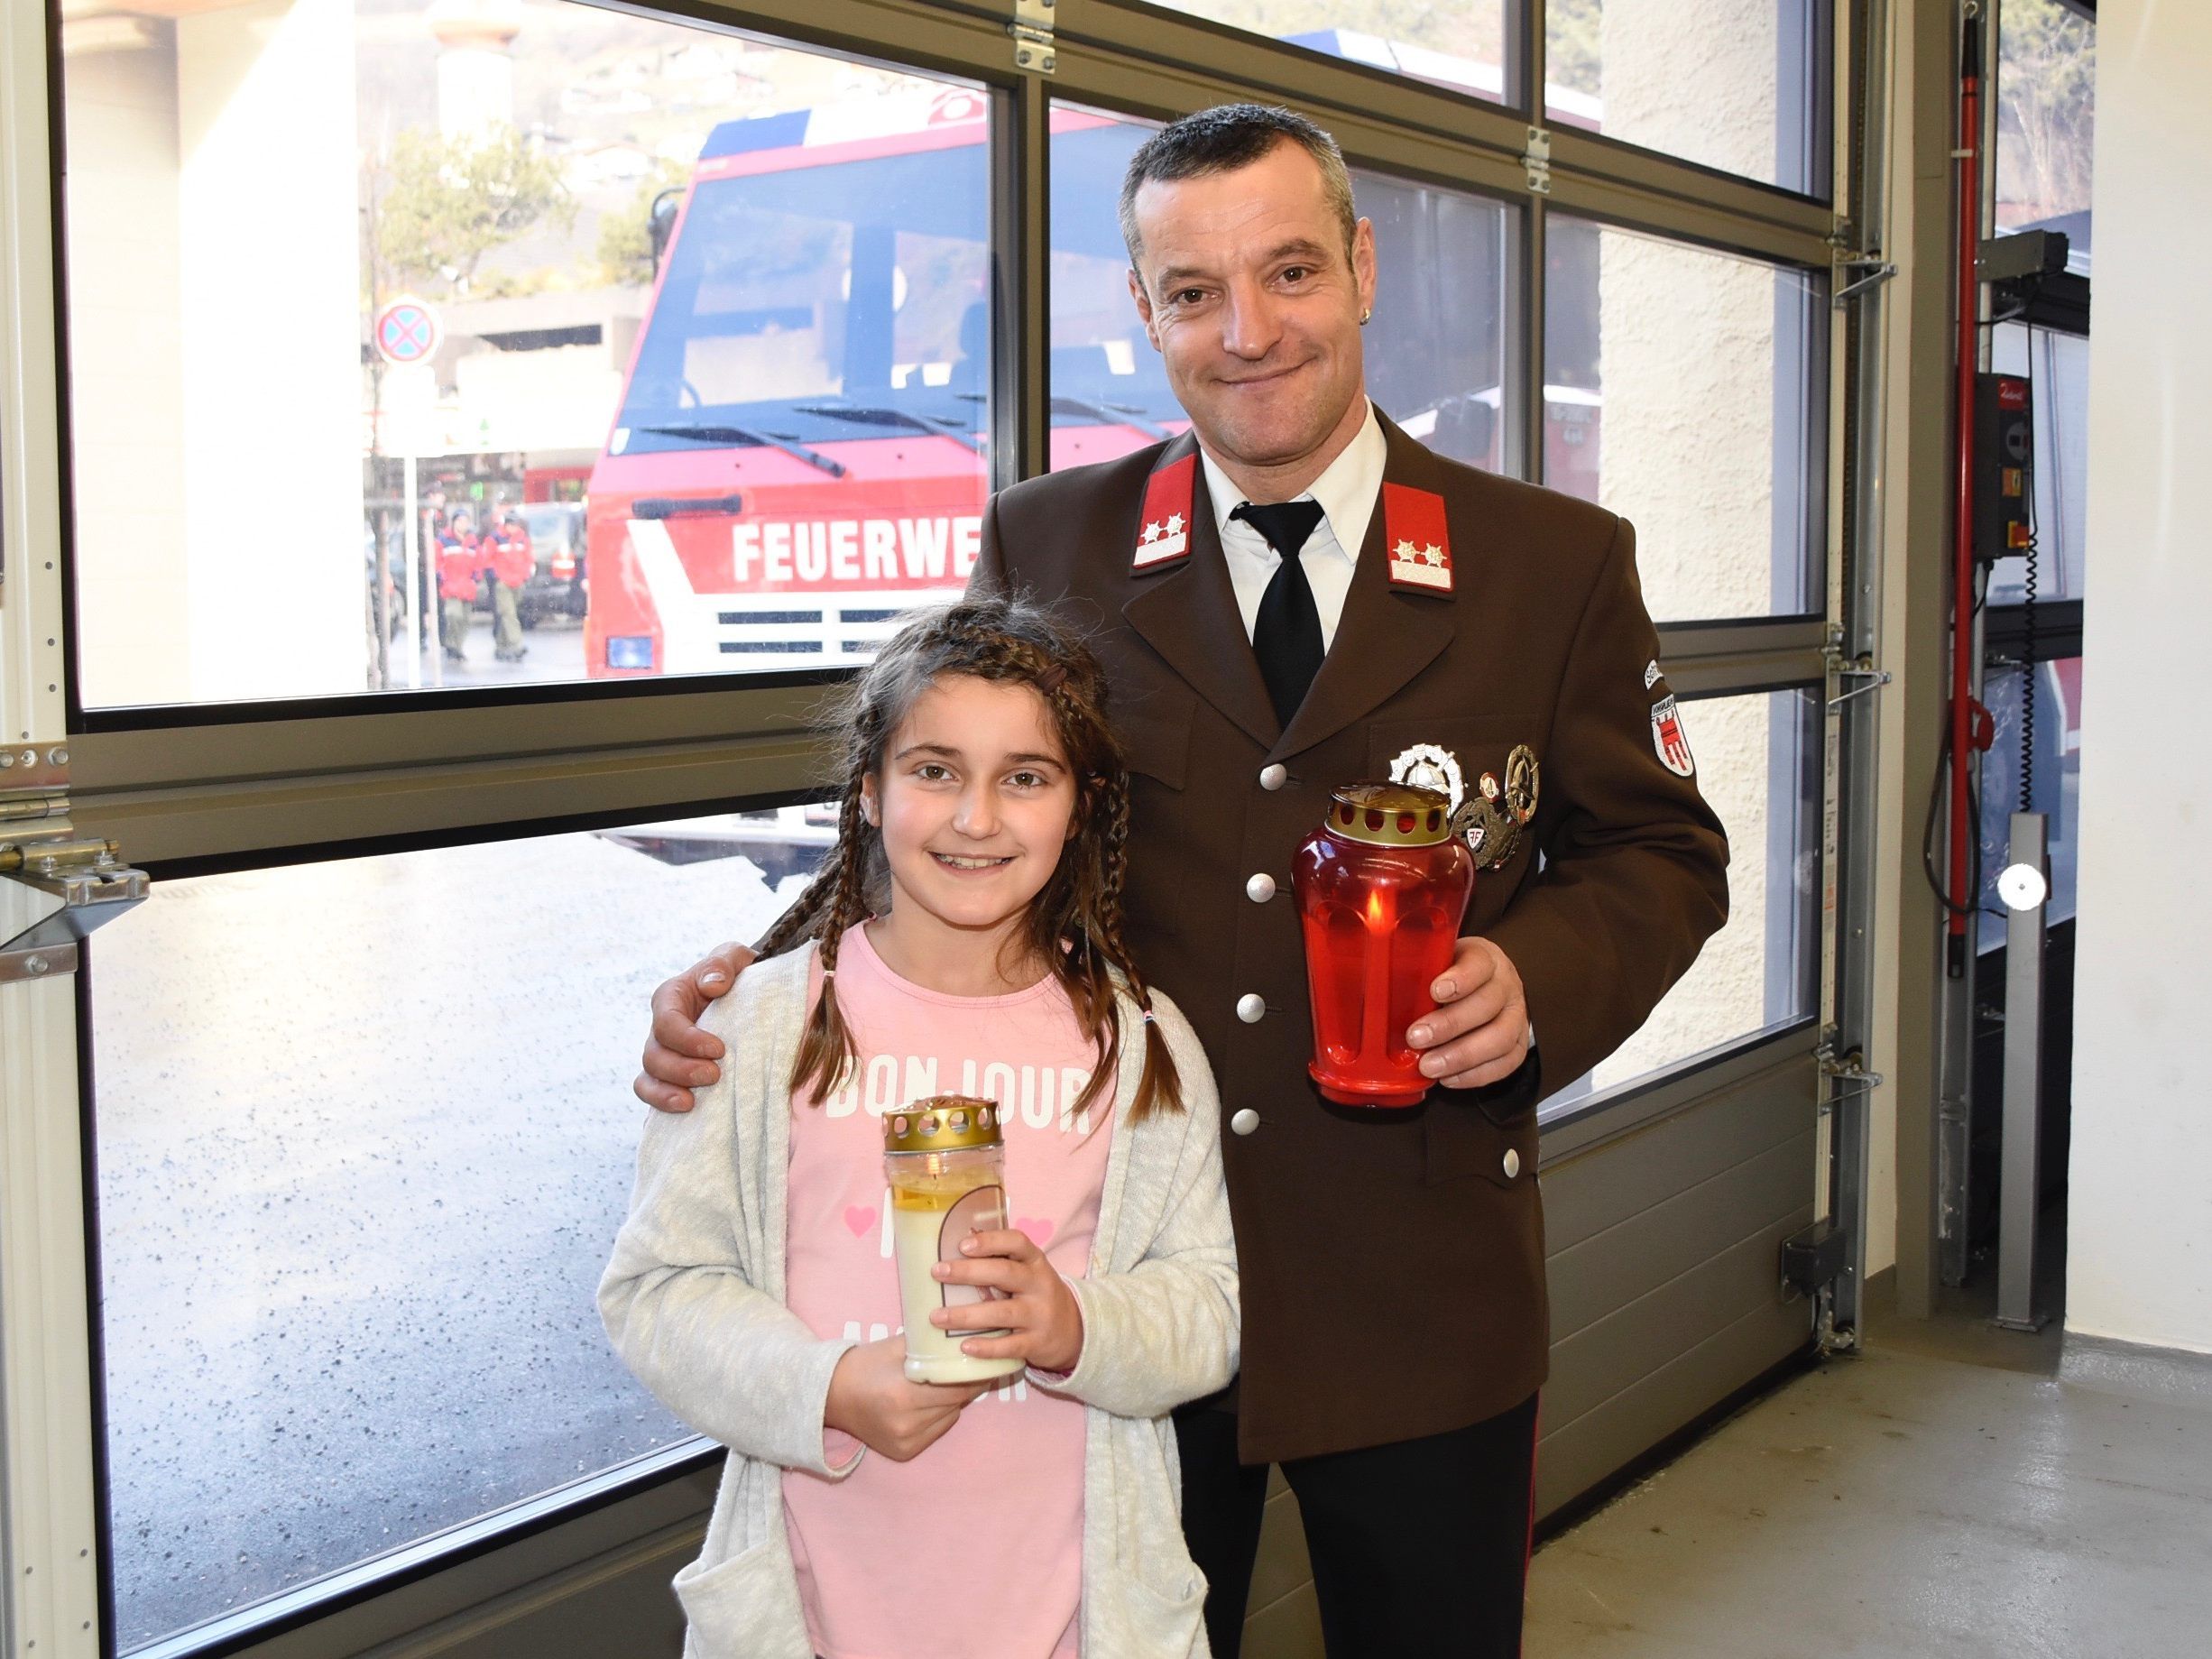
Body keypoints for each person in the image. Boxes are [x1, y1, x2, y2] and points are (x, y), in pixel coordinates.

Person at [637, 104, 1728, 1659]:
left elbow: (1664, 852)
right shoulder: (1053, 536)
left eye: (1288, 272)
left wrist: (1535, 978)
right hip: (1110, 1284)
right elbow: (957, 801)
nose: (1248, 330)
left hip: (1413, 1279)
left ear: (1357, 270)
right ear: (1143, 313)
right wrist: (752, 983)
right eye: (1193, 292)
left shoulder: (1549, 561)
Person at [601, 595, 1240, 1659]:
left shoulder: (1143, 1045)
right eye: (935, 769)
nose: (975, 817)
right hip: (812, 1617)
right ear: (868, 790)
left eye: (1024, 777)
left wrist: (1074, 1324)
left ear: (1079, 809)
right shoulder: (760, 1028)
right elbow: (657, 1289)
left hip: (1073, 1623)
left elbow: (1208, 1309)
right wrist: (831, 1390)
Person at [435, 509, 483, 666]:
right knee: (453, 615)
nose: (462, 524)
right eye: (459, 521)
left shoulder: (472, 541)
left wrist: (477, 576)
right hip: (451, 586)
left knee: (464, 620)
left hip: (467, 586)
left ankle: (457, 647)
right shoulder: (444, 540)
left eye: (465, 521)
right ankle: (451, 644)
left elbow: (478, 561)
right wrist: (442, 576)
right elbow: (438, 560)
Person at [486, 510, 533, 663]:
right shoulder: (495, 538)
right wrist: (497, 576)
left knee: (507, 614)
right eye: (511, 525)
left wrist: (525, 576)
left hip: (518, 581)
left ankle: (501, 645)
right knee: (509, 614)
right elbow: (488, 559)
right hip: (504, 583)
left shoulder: (522, 539)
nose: (513, 528)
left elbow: (528, 558)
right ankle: (516, 644)